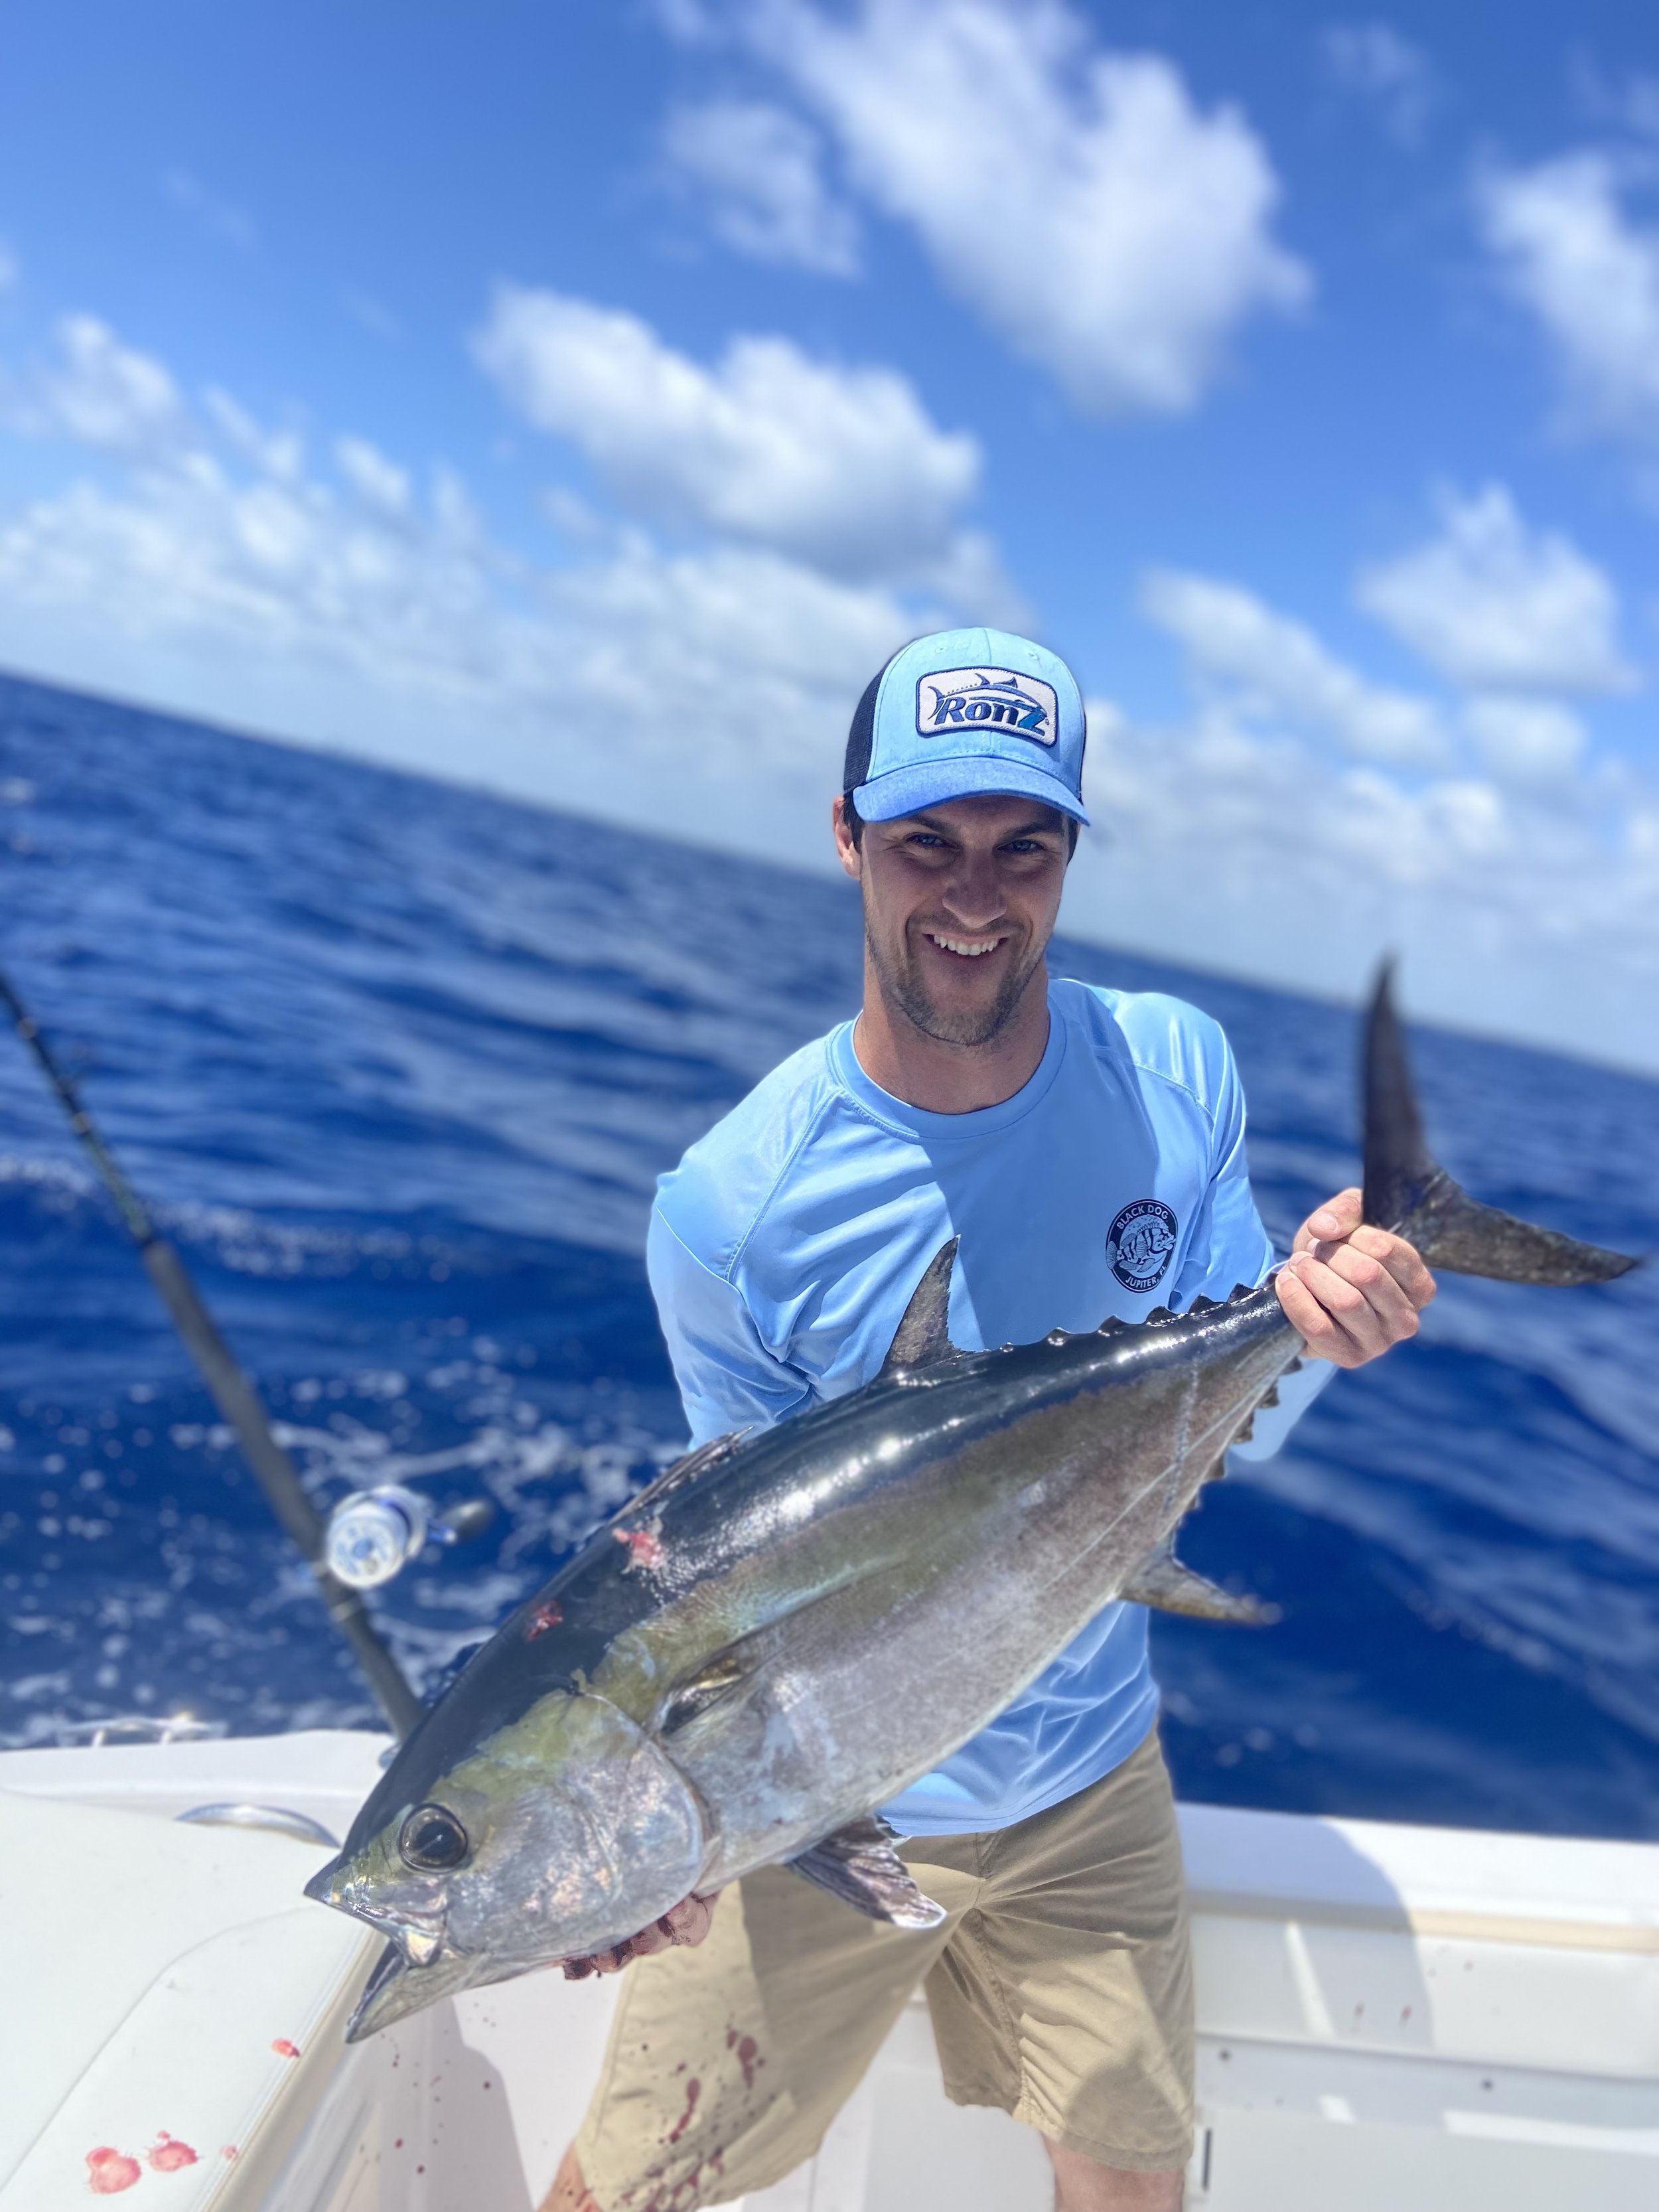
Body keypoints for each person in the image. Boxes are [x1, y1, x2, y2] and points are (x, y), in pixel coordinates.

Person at [543, 629, 1435, 2212]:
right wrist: (669, 1841)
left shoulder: (1170, 1069)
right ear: (845, 836)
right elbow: (727, 1585)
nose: (974, 892)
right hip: (823, 1807)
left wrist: (1316, 1328)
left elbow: (1230, 1418)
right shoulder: (730, 1212)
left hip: (1085, 1778)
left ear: (1069, 857)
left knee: (1133, 2190)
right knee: (618, 2194)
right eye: (925, 842)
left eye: (1023, 846)